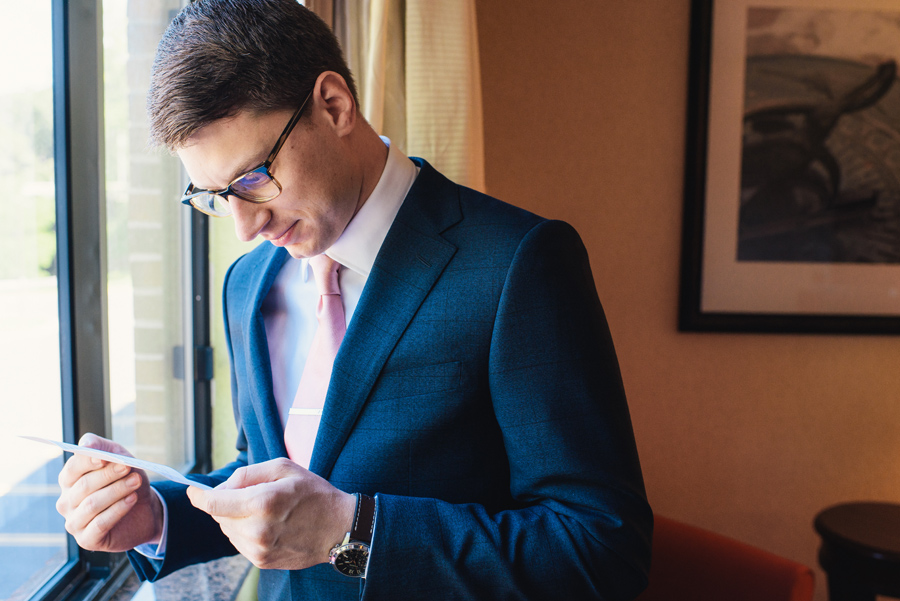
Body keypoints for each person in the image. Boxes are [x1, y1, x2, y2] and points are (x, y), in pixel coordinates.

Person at [55, 1, 653, 599]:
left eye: (253, 178)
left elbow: (600, 549)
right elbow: (266, 485)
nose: (244, 226)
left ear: (334, 105)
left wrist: (352, 532)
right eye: (213, 195)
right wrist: (156, 517)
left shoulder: (517, 263)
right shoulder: (246, 285)